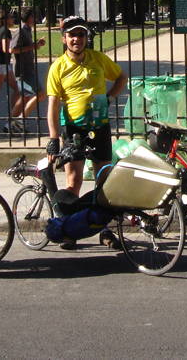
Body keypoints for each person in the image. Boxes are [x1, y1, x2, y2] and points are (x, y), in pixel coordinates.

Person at [43, 15, 128, 249]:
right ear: (64, 39)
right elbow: (53, 105)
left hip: (99, 127)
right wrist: (53, 138)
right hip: (75, 129)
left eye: (81, 35)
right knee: (74, 181)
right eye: (72, 35)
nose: (77, 39)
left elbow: (121, 77)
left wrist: (110, 97)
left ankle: (105, 230)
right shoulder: (58, 67)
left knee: (104, 183)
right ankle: (69, 229)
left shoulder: (98, 59)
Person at [6, 8, 46, 133]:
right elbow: (12, 50)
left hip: (28, 68)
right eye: (33, 16)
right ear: (28, 18)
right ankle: (18, 121)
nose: (35, 19)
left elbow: (25, 47)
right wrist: (32, 46)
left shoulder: (28, 30)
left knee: (24, 97)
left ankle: (11, 124)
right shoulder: (21, 31)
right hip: (22, 70)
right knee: (40, 94)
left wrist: (36, 44)